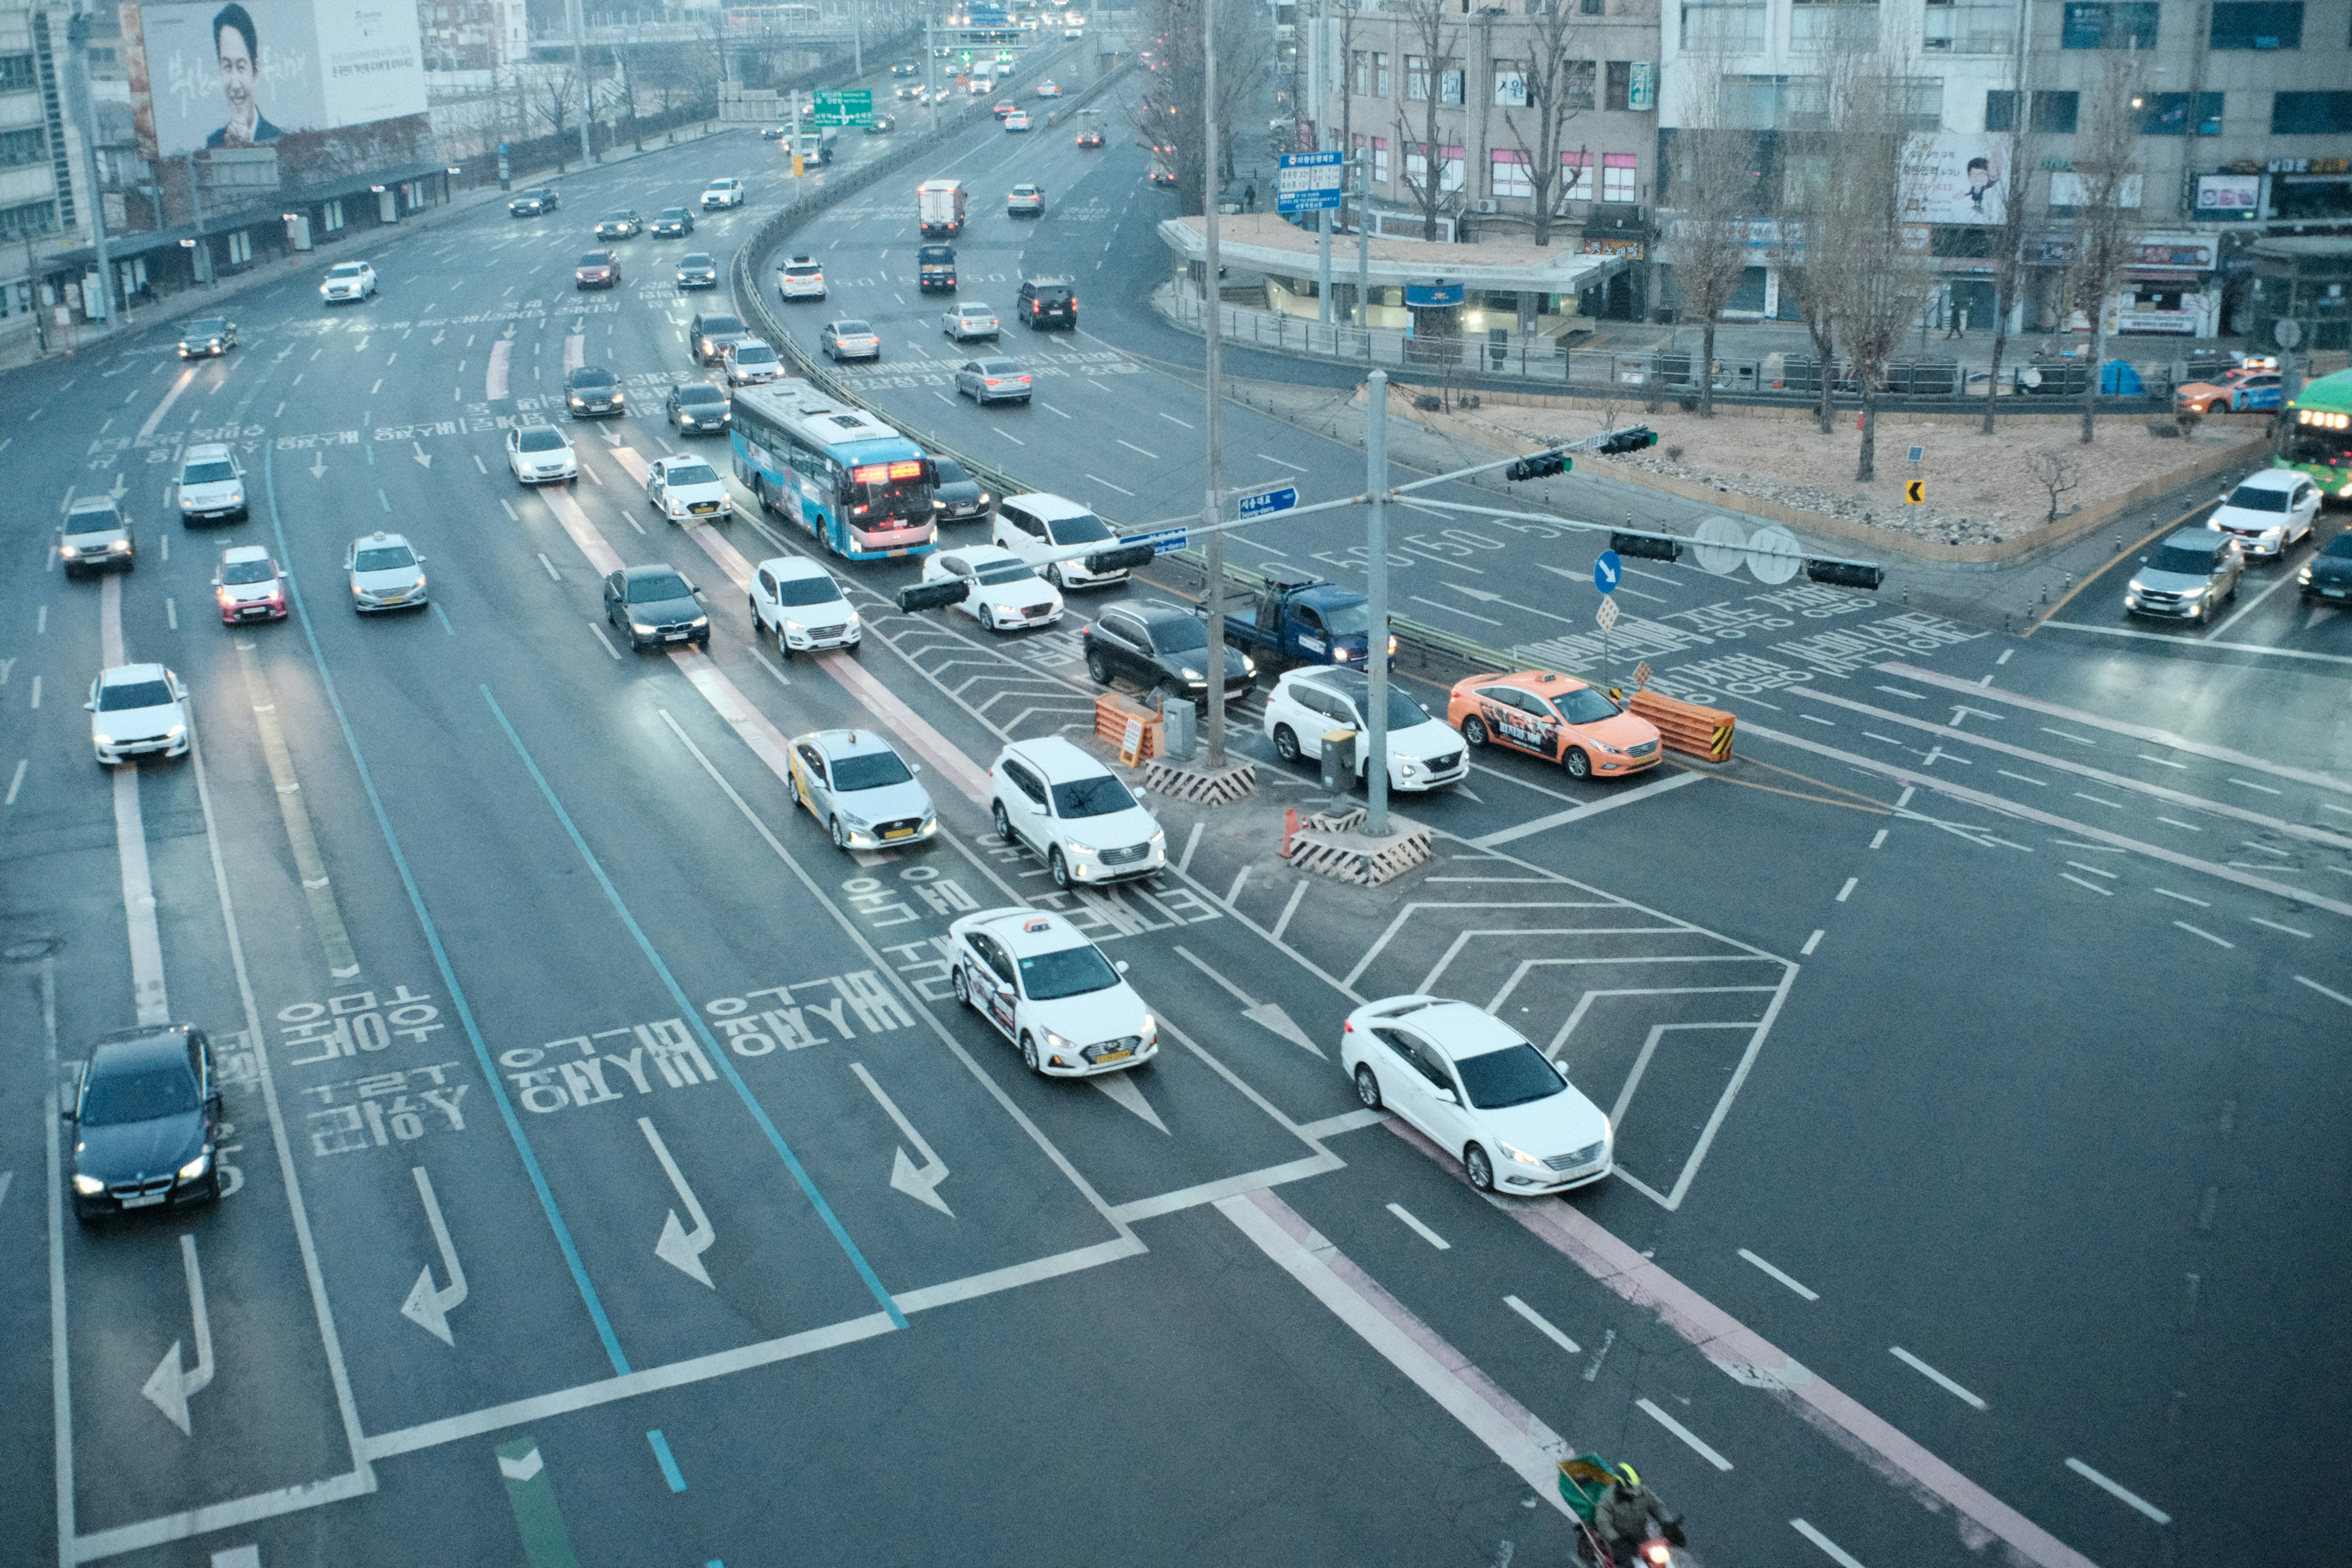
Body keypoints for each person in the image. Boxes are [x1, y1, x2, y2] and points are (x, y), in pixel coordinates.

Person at [205, 3, 281, 149]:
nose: (235, 85)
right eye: (227, 67)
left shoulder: (277, 139)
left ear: (256, 71)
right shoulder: (214, 144)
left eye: (241, 67)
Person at [1588, 1465, 1684, 1564]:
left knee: (1663, 1561)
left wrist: (1668, 1524)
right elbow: (1603, 1523)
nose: (1635, 1490)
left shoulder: (1643, 1492)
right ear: (1621, 1485)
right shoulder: (1607, 1501)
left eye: (1636, 1485)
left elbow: (1657, 1507)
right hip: (1620, 1542)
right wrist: (1616, 1541)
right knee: (1628, 1565)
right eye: (1631, 1486)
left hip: (1641, 1538)